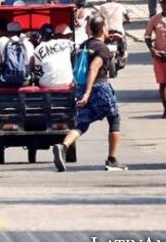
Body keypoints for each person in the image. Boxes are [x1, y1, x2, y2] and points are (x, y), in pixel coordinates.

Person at [51, 15, 125, 171]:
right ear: (103, 28)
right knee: (114, 119)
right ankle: (112, 160)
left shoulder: (84, 45)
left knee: (82, 123)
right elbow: (93, 68)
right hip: (99, 88)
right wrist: (88, 93)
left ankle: (63, 146)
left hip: (82, 87)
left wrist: (83, 92)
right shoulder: (102, 48)